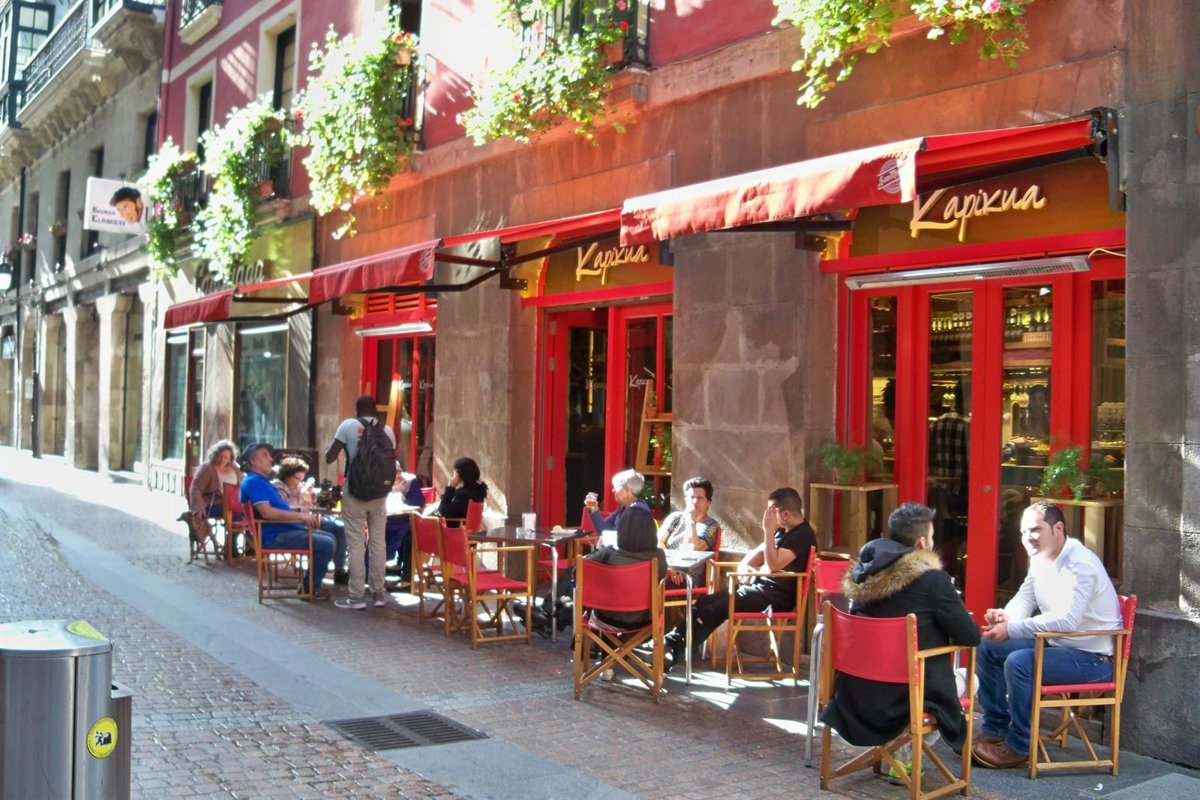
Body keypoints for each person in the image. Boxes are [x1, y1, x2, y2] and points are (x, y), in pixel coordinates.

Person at [820, 503, 980, 771]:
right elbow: (970, 636)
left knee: (907, 675)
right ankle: (903, 758)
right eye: (931, 537)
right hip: (906, 700)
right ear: (921, 542)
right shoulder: (933, 581)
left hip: (855, 695)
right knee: (971, 679)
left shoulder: (863, 575)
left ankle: (896, 754)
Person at [972, 501, 1123, 769]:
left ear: (1058, 528)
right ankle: (996, 728)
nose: (1027, 537)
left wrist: (1013, 628)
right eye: (1023, 532)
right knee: (988, 646)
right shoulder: (1041, 557)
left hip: (1094, 659)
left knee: (1019, 663)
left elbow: (1067, 620)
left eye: (1035, 530)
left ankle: (1019, 746)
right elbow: (1026, 597)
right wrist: (1006, 617)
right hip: (1057, 644)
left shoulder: (1081, 563)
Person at [661, 486, 816, 668]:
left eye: (770, 511)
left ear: (785, 514)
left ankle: (674, 651)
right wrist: (745, 566)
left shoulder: (802, 536)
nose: (766, 516)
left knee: (713, 611)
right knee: (704, 602)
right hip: (757, 589)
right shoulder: (783, 529)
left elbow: (774, 564)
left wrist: (767, 530)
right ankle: (671, 642)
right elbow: (757, 554)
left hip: (774, 598)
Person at [239, 443, 336, 600]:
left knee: (330, 536)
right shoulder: (253, 482)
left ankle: (310, 585)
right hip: (275, 536)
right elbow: (267, 513)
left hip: (284, 530)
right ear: (253, 461)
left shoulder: (261, 481)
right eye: (265, 455)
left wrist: (301, 513)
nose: (271, 459)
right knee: (327, 543)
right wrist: (300, 516)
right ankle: (309, 589)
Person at [326, 395, 396, 610]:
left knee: (356, 543)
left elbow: (330, 457)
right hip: (380, 494)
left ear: (357, 410)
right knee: (378, 542)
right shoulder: (387, 431)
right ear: (375, 410)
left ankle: (356, 596)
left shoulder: (348, 425)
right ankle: (379, 593)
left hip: (354, 491)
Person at [584, 506, 667, 629]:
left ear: (621, 530)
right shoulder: (659, 556)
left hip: (606, 619)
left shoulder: (608, 553)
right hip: (644, 621)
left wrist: (597, 550)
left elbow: (578, 572)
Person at [273, 456, 349, 586]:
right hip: (294, 524)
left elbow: (313, 505)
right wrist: (300, 496)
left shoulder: (300, 487)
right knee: (327, 540)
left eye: (302, 478)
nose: (300, 481)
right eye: (298, 478)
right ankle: (311, 583)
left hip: (310, 519)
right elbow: (286, 508)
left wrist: (312, 495)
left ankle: (339, 570)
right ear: (287, 476)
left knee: (340, 528)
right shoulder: (278, 488)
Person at [657, 476, 719, 586]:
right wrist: (670, 568)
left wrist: (691, 520)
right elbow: (658, 542)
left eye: (700, 498)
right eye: (691, 497)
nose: (694, 501)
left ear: (708, 502)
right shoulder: (676, 518)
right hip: (667, 569)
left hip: (688, 577)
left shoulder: (710, 525)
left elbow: (693, 547)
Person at [187, 439, 242, 552]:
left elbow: (243, 484)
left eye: (226, 457)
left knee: (249, 513)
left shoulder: (234, 468)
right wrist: (199, 507)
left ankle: (251, 547)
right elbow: (195, 488)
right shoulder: (208, 468)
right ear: (215, 455)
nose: (223, 460)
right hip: (212, 504)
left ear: (230, 457)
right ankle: (231, 547)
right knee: (237, 515)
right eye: (220, 456)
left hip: (232, 504)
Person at [384, 469, 426, 583]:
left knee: (406, 533)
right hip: (387, 517)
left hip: (404, 519)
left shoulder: (409, 481)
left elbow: (418, 502)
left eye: (399, 472)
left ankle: (403, 574)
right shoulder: (382, 482)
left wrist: (402, 499)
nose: (397, 476)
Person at [584, 468, 650, 533]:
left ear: (628, 490)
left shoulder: (639, 511)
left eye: (616, 487)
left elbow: (630, 538)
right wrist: (594, 508)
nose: (613, 490)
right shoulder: (623, 508)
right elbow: (603, 530)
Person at [436, 456, 488, 525]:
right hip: (463, 527)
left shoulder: (464, 496)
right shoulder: (477, 490)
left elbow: (440, 513)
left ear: (459, 474)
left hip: (455, 529)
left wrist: (450, 488)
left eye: (455, 472)